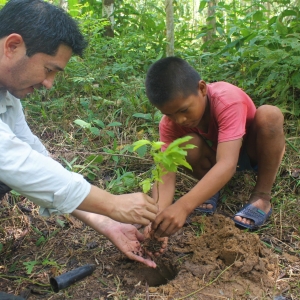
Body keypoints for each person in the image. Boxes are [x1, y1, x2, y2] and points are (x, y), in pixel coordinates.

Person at [0, 0, 158, 268]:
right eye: (49, 69)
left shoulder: (7, 97)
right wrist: (111, 204)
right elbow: (14, 161)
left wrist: (106, 222)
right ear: (12, 46)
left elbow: (33, 154)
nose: (49, 83)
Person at [144, 56, 285, 239]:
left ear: (202, 89)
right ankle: (210, 188)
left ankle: (262, 196)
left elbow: (227, 163)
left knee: (270, 115)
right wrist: (157, 218)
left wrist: (183, 206)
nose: (179, 120)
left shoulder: (227, 100)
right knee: (187, 145)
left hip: (251, 152)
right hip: (217, 157)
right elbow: (166, 172)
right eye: (169, 114)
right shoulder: (170, 124)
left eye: (184, 110)